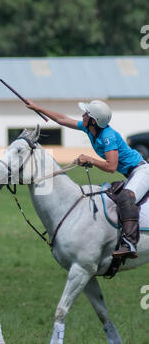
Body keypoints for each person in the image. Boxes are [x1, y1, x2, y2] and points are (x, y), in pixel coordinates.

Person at [26, 98, 149, 260]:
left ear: (93, 120)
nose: (83, 115)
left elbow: (111, 167)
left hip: (142, 171)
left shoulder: (108, 136)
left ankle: (130, 243)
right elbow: (62, 119)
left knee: (126, 197)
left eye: (86, 113)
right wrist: (37, 107)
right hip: (131, 173)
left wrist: (90, 160)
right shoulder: (89, 129)